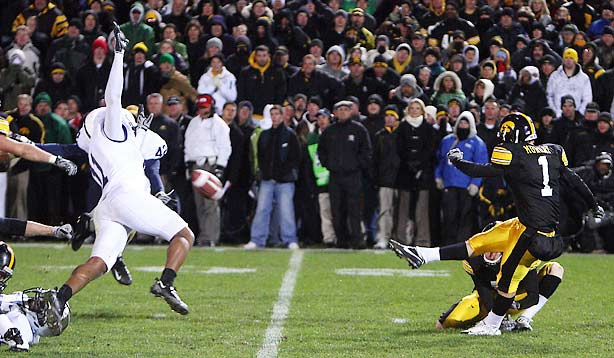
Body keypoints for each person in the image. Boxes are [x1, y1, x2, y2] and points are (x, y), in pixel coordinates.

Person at [390, 112, 602, 336]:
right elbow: (573, 179)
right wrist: (592, 203)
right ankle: (424, 254)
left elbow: (483, 171)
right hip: (525, 225)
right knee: (480, 242)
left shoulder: (514, 154)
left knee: (507, 281)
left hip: (535, 235)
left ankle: (492, 326)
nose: (504, 141)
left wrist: (458, 161)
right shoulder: (553, 151)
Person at [49, 25, 195, 319]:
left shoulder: (96, 145)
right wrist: (119, 55)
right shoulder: (113, 131)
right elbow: (113, 99)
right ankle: (166, 283)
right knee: (184, 234)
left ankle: (58, 297)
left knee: (99, 263)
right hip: (127, 197)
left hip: (105, 207)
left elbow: (66, 149)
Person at [437, 251, 564, 332]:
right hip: (488, 302)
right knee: (447, 322)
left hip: (517, 299)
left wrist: (514, 303)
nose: (491, 253)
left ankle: (524, 319)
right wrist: (498, 316)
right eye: (488, 247)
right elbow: (484, 292)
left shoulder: (520, 255)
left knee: (556, 269)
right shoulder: (474, 259)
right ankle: (490, 320)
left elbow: (533, 296)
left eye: (496, 247)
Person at [244, 105, 301, 250]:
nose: (275, 117)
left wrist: (283, 174)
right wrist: (265, 174)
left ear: (282, 116)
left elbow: (295, 158)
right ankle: (257, 240)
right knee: (262, 209)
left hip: (285, 181)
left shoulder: (290, 135)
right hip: (267, 180)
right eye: (272, 114)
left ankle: (290, 239)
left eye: (277, 114)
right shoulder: (264, 135)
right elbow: (261, 157)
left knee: (286, 211)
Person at [318, 101, 372, 249]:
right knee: (337, 209)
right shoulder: (329, 131)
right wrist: (328, 164)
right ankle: (341, 240)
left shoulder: (359, 130)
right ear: (335, 113)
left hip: (353, 176)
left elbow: (366, 151)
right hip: (335, 176)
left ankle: (357, 240)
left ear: (351, 111)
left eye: (345, 109)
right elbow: (321, 150)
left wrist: (356, 165)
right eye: (339, 109)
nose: (342, 112)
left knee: (354, 209)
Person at [0, 242, 72, 352]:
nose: (35, 301)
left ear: (42, 322)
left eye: (40, 305)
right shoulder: (20, 306)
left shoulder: (20, 320)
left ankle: (16, 340)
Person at [184, 94, 231, 247]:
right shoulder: (193, 123)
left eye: (204, 107)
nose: (202, 110)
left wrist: (220, 167)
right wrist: (188, 163)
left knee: (211, 202)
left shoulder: (219, 124)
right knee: (199, 204)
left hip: (210, 164)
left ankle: (211, 237)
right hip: (196, 165)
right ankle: (203, 235)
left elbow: (225, 147)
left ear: (211, 106)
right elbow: (188, 143)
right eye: (200, 107)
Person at [435, 111, 487, 245]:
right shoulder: (447, 141)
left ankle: (461, 245)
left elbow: (481, 165)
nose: (463, 125)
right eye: (461, 122)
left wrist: (475, 184)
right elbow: (440, 160)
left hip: (466, 186)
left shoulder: (477, 143)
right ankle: (448, 244)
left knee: (465, 218)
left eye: (466, 123)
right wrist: (438, 177)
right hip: (450, 184)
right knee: (448, 216)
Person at [373, 105, 401, 249]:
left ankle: (399, 239)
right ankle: (383, 237)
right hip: (385, 179)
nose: (389, 118)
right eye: (387, 115)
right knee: (384, 210)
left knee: (401, 212)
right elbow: (375, 160)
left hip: (401, 180)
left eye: (393, 116)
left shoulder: (402, 134)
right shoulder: (379, 136)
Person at [547, 48, 593, 117]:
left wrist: (579, 113)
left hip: (576, 117)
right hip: (557, 116)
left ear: (575, 60)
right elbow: (549, 96)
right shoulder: (554, 76)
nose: (568, 60)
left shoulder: (584, 78)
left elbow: (587, 98)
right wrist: (555, 112)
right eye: (566, 58)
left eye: (571, 58)